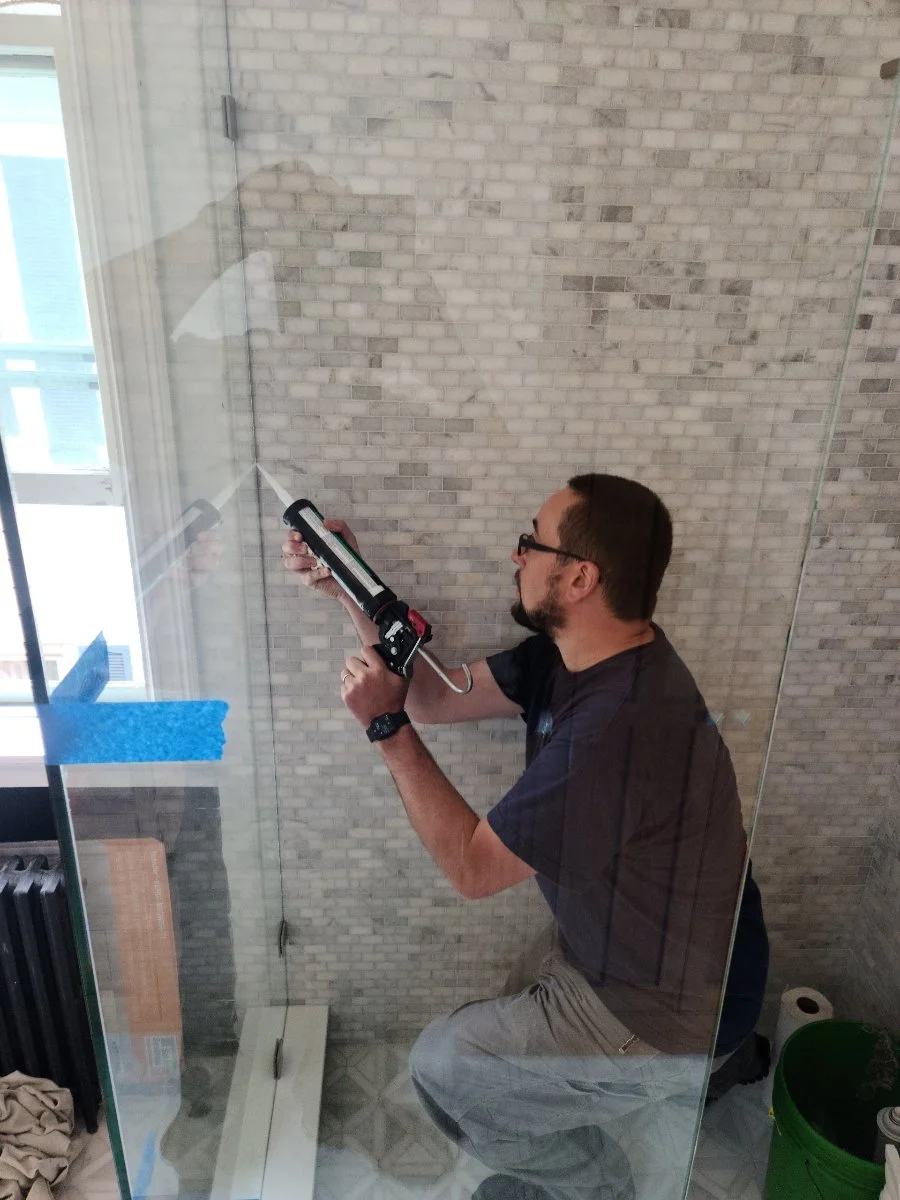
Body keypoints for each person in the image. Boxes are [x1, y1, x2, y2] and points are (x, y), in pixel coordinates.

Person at [282, 473, 769, 1200]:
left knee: (446, 1070)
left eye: (529, 542)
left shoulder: (618, 730)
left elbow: (473, 871)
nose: (516, 557)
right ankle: (698, 1071)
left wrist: (386, 731)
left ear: (578, 577)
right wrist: (355, 588)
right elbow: (435, 696)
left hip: (668, 1004)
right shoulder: (578, 657)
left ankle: (595, 1182)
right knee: (509, 1009)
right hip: (653, 949)